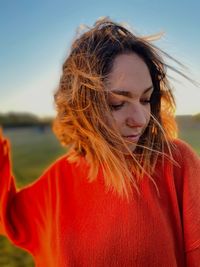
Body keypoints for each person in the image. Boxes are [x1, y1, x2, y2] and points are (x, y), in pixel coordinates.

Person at [0, 17, 200, 267]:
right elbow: (8, 215)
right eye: (118, 103)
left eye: (146, 100)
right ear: (81, 107)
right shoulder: (57, 181)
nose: (140, 120)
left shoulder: (176, 163)